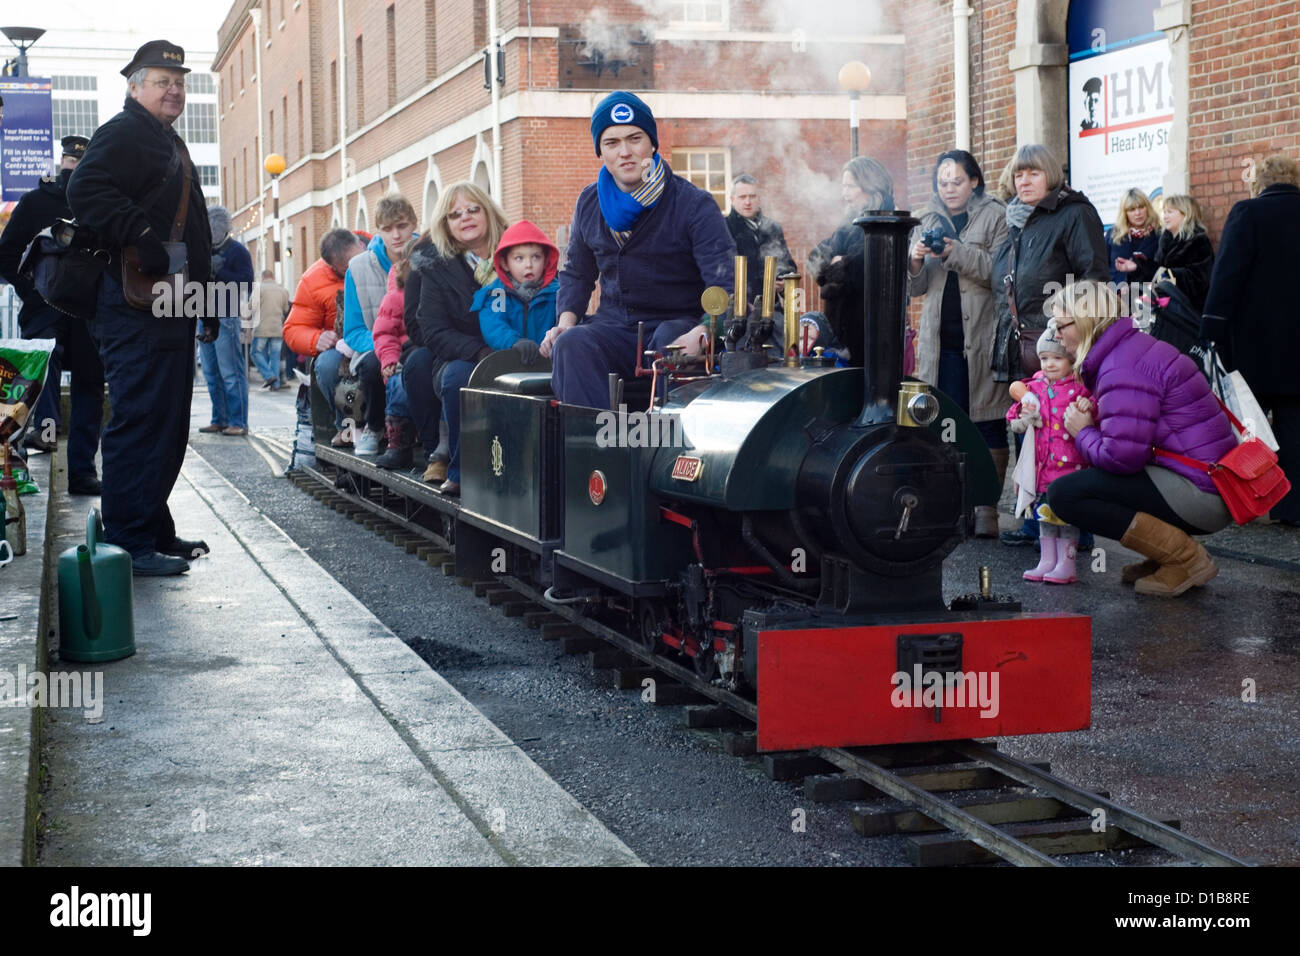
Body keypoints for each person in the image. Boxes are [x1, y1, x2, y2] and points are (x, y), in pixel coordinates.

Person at [66, 39, 213, 576]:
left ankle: (152, 529)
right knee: (140, 418)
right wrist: (141, 234)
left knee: (168, 423)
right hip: (134, 305)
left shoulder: (165, 139)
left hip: (171, 303)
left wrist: (205, 298)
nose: (174, 89)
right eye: (161, 80)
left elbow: (193, 230)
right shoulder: (125, 131)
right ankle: (128, 542)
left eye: (179, 81)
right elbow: (86, 189)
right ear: (134, 87)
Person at [541, 91, 735, 407]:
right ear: (600, 151)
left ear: (652, 143)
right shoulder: (589, 202)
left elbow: (726, 285)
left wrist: (704, 331)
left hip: (676, 325)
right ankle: (597, 450)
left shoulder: (694, 204)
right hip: (614, 328)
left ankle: (662, 451)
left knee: (669, 344)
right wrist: (564, 324)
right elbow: (577, 273)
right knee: (572, 344)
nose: (625, 152)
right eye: (612, 143)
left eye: (635, 138)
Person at [1046, 281, 1236, 596]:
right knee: (1097, 485)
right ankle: (1163, 554)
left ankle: (1184, 560)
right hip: (1208, 481)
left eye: (1060, 325)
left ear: (1085, 324)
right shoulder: (1129, 350)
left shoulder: (1121, 368)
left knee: (1065, 494)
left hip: (1202, 494)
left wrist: (1083, 432)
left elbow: (1122, 458)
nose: (1056, 335)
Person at [990, 143, 1108, 546]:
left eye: (1034, 173)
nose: (1024, 180)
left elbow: (1094, 278)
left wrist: (1073, 334)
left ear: (1051, 176)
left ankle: (1079, 525)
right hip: (1025, 343)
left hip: (1061, 342)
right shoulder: (1018, 220)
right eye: (1019, 174)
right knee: (1031, 431)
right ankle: (1036, 521)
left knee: (1068, 434)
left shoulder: (1074, 213)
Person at [907, 149, 1009, 537]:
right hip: (940, 341)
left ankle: (986, 508)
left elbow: (1000, 273)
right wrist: (915, 261)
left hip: (981, 337)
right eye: (943, 182)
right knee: (945, 423)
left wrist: (954, 251)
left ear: (975, 182)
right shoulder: (927, 217)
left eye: (957, 182)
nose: (949, 189)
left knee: (987, 419)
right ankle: (952, 505)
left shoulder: (995, 215)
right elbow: (915, 288)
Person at [0, 134, 105, 495]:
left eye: (79, 164)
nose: (72, 169)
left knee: (89, 385)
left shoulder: (100, 202)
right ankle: (44, 434)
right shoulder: (35, 202)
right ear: (62, 164)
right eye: (70, 164)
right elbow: (6, 254)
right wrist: (32, 288)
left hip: (88, 313)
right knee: (46, 369)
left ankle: (82, 472)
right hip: (45, 310)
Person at [1201, 154, 1300, 524]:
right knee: (1294, 425)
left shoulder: (1248, 213)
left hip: (1254, 342)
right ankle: (1292, 507)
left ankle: (1247, 499)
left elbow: (1227, 275)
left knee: (1249, 424)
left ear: (1259, 183)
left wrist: (1209, 328)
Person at [404, 182, 509, 494]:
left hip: (518, 346)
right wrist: (478, 351)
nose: (466, 217)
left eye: (473, 209)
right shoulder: (435, 265)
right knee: (455, 376)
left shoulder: (518, 251)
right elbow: (429, 328)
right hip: (460, 353)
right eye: (455, 215)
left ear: (488, 211)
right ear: (445, 225)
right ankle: (458, 467)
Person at [331, 194, 417, 456]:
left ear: (413, 224)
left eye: (402, 226)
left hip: (422, 341)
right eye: (388, 229)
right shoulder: (358, 268)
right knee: (372, 364)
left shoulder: (428, 257)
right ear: (378, 230)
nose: (396, 235)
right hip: (374, 345)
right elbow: (354, 331)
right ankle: (374, 425)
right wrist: (386, 344)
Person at [1007, 326, 1092, 584]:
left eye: (1057, 358)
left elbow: (1096, 408)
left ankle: (1066, 565)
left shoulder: (1079, 389)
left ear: (1071, 360)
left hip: (1070, 468)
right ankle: (1047, 561)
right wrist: (1023, 408)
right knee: (1044, 516)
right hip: (1042, 466)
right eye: (1044, 359)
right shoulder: (1036, 387)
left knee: (1066, 519)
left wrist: (1090, 406)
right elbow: (1012, 413)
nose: (1049, 364)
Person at [283, 228, 364, 439]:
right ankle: (346, 424)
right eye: (346, 270)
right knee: (327, 366)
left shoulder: (382, 250)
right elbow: (293, 328)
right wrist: (316, 338)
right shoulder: (313, 281)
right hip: (341, 346)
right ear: (332, 266)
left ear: (362, 247)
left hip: (377, 338)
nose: (354, 272)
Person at [196, 206, 253, 436]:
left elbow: (247, 283)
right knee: (211, 372)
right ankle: (219, 418)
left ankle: (238, 421)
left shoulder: (237, 251)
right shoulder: (204, 250)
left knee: (231, 373)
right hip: (204, 313)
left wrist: (220, 272)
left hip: (227, 314)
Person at [472, 220, 560, 363]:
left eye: (536, 257)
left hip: (550, 363)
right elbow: (494, 325)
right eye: (519, 258)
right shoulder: (496, 293)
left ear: (545, 261)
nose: (528, 265)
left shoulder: (557, 293)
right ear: (505, 263)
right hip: (508, 362)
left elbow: (564, 324)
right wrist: (514, 342)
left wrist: (553, 343)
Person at [371, 235, 419, 470]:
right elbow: (384, 333)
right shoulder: (396, 297)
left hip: (426, 355)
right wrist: (389, 359)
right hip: (400, 358)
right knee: (399, 385)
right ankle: (398, 441)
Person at [809, 156, 895, 278]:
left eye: (851, 186)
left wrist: (843, 262)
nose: (844, 193)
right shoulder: (849, 222)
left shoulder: (888, 222)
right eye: (844, 186)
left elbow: (866, 265)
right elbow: (817, 256)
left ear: (870, 187)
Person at [725, 174, 795, 300]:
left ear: (759, 199)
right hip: (737, 306)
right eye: (742, 197)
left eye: (752, 196)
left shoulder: (774, 227)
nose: (747, 202)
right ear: (732, 199)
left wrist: (783, 281)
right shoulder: (724, 228)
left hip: (771, 305)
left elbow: (788, 265)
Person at [1150, 194, 1214, 313]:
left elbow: (1201, 279)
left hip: (1188, 310)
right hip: (1166, 308)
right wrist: (1137, 267)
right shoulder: (1164, 240)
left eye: (1170, 212)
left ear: (1185, 214)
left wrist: (1171, 274)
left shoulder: (1198, 240)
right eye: (1164, 212)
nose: (1165, 216)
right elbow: (1156, 270)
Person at [1107, 188, 1160, 294]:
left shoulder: (1159, 235)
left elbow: (1162, 270)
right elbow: (1103, 266)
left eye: (1141, 207)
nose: (1137, 213)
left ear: (1148, 208)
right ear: (1125, 213)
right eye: (1132, 209)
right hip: (1117, 299)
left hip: (1148, 298)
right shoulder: (1113, 235)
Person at [251, 268, 291, 390]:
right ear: (273, 277)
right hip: (278, 328)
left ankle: (269, 375)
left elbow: (250, 307)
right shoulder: (283, 290)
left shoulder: (258, 289)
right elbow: (285, 309)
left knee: (255, 353)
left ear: (263, 277)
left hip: (262, 328)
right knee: (275, 356)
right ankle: (276, 384)